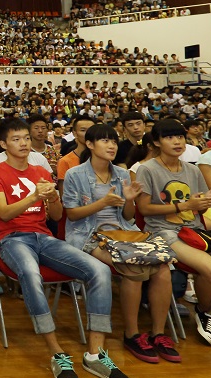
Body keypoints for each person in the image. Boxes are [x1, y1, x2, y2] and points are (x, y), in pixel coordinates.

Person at [0, 118, 133, 378]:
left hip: (44, 236)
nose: (24, 143)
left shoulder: (40, 170)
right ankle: (56, 353)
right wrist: (34, 197)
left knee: (99, 270)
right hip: (11, 239)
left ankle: (95, 354)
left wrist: (52, 198)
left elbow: (56, 216)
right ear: (3, 144)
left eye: (26, 138)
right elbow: (4, 214)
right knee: (31, 274)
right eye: (16, 139)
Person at [63, 124, 178, 364]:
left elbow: (127, 217)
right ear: (91, 145)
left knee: (163, 270)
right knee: (133, 268)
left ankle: (158, 333)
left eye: (114, 141)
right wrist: (102, 202)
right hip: (88, 234)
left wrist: (129, 201)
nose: (112, 145)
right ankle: (132, 334)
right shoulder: (75, 174)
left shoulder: (122, 174)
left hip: (123, 233)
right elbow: (73, 215)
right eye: (105, 141)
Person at [56, 116, 95, 189]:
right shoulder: (65, 161)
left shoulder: (101, 158)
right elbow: (65, 196)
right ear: (75, 134)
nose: (88, 134)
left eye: (91, 130)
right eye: (83, 130)